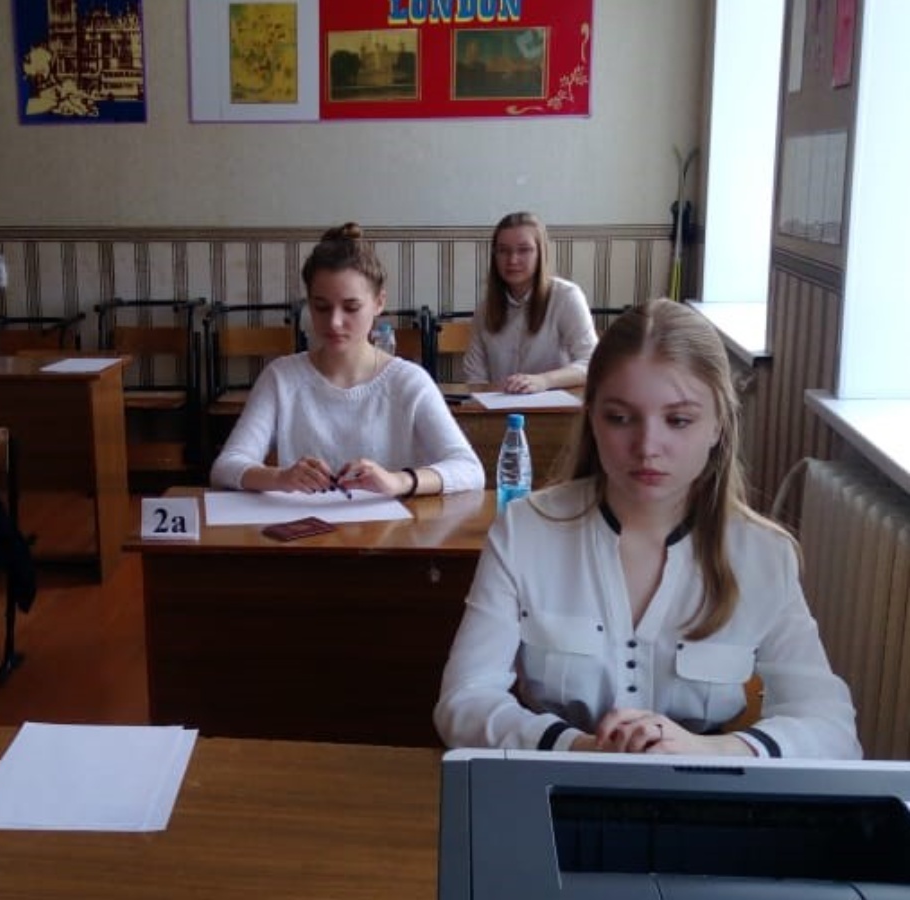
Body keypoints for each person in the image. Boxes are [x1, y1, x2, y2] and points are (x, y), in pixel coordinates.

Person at [434, 298, 859, 759]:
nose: (647, 446)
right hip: (556, 778)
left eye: (679, 420)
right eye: (620, 418)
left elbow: (832, 729)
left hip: (704, 789)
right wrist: (581, 747)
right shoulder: (525, 531)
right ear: (592, 418)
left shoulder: (763, 553)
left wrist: (708, 751)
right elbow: (464, 701)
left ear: (718, 425)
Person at [210, 222, 484, 497]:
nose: (334, 322)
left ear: (379, 302)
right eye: (321, 307)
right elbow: (226, 466)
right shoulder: (281, 377)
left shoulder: (408, 381)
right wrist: (280, 477)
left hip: (389, 523)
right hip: (304, 523)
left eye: (351, 307)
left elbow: (469, 469)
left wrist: (398, 481)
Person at [461, 211, 598, 393]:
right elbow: (475, 379)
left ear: (540, 253)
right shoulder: (484, 309)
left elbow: (593, 363)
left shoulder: (566, 296)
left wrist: (544, 380)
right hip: (500, 406)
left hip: (555, 406)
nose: (512, 260)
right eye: (503, 251)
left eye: (524, 250)